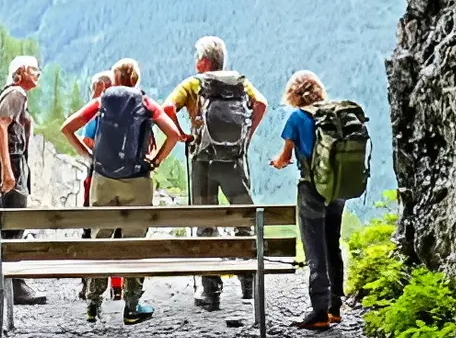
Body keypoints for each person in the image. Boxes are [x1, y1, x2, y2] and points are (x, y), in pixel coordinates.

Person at [61, 58, 181, 325]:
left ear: (114, 80)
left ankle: (93, 304)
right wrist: (157, 160)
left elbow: (67, 127)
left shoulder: (102, 101)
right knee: (134, 242)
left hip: (103, 179)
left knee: (100, 239)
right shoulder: (146, 102)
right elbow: (173, 134)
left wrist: (88, 156)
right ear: (135, 80)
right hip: (138, 180)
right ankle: (132, 305)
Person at [162, 36, 268, 310]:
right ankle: (247, 284)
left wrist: (183, 134)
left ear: (205, 62)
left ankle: (211, 292)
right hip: (233, 160)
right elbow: (261, 105)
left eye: (198, 57)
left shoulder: (192, 84)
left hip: (204, 162)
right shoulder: (240, 83)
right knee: (243, 218)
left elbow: (166, 109)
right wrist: (246, 137)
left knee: (206, 222)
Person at [270, 70, 343, 330]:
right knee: (332, 244)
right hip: (337, 188)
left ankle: (319, 312)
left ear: (293, 93)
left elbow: (285, 157)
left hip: (312, 189)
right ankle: (335, 307)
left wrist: (276, 163)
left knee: (315, 250)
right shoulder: (333, 114)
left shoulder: (297, 117)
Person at [0, 56, 47, 305]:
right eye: (34, 70)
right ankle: (16, 286)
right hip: (11, 164)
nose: (38, 74)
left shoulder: (13, 93)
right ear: (21, 72)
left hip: (5, 164)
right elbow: (0, 128)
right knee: (15, 223)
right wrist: (9, 171)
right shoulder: (16, 93)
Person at [77, 70, 124, 301]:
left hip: (98, 176)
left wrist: (94, 155)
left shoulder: (98, 110)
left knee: (93, 229)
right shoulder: (127, 111)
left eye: (94, 89)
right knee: (119, 232)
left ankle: (90, 285)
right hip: (125, 178)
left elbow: (86, 139)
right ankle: (118, 286)